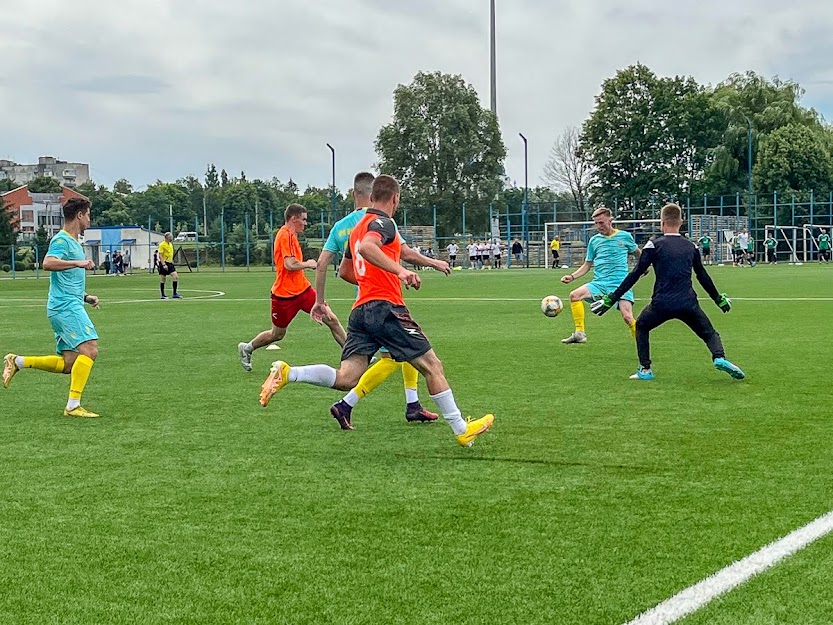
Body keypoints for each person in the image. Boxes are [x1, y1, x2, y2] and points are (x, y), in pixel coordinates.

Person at [258, 175, 494, 447]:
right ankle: (461, 429)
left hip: (361, 311)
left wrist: (433, 262)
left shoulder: (358, 228)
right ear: (395, 199)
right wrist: (399, 272)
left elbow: (369, 262)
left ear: (371, 197)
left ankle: (290, 373)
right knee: (432, 365)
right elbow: (369, 248)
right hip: (385, 308)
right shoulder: (384, 222)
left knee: (347, 377)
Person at [308, 171, 445, 427]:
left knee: (403, 353)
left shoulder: (343, 227)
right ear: (388, 197)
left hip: (362, 305)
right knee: (404, 355)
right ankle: (349, 403)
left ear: (355, 194)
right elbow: (401, 252)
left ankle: (412, 403)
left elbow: (326, 264)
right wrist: (402, 271)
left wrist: (321, 300)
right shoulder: (380, 220)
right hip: (384, 301)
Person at [591, 203, 745, 381]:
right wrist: (718, 299)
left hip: (661, 304)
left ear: (662, 222)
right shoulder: (691, 246)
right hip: (688, 303)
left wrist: (612, 299)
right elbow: (702, 275)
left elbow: (636, 273)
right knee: (709, 333)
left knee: (641, 326)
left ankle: (645, 370)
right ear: (681, 222)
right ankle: (719, 357)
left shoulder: (654, 245)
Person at [3, 198, 102, 417]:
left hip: (69, 304)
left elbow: (67, 281)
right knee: (90, 349)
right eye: (87, 214)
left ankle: (18, 361)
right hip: (65, 307)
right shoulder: (62, 240)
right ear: (79, 215)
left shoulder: (74, 242)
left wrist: (86, 297)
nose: (89, 219)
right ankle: (73, 406)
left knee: (69, 363)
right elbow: (48, 263)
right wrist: (78, 263)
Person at [238, 204, 346, 371]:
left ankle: (354, 357)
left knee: (331, 319)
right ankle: (247, 348)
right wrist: (308, 264)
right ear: (293, 218)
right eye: (303, 219)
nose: (305, 223)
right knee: (277, 334)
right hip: (284, 296)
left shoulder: (292, 236)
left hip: (303, 290)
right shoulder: (285, 235)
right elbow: (289, 264)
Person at [560, 207, 640, 344]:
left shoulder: (625, 237)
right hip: (600, 283)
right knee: (575, 295)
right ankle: (580, 333)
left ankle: (642, 346)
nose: (598, 226)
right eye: (596, 223)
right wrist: (572, 276)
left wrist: (643, 267)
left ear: (610, 220)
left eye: (601, 223)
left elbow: (639, 254)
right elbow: (587, 264)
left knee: (627, 317)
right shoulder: (594, 241)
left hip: (621, 284)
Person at [157, 232, 182, 298]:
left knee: (175, 276)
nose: (171, 238)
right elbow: (160, 255)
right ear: (166, 237)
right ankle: (162, 294)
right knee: (163, 278)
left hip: (170, 263)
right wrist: (163, 264)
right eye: (170, 237)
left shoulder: (170, 244)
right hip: (164, 263)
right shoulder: (162, 245)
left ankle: (174, 293)